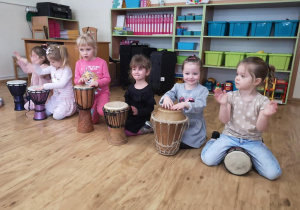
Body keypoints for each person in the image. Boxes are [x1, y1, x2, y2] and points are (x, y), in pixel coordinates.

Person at [201, 57, 281, 180]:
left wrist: (265, 115)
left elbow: (261, 127)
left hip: (253, 140)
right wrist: (223, 104)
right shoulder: (230, 96)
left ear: (256, 81)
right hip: (229, 137)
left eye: (243, 76)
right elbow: (224, 120)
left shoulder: (263, 101)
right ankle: (213, 140)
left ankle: (261, 149)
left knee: (273, 174)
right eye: (237, 74)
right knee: (208, 160)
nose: (237, 78)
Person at [15, 45, 76, 120]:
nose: (50, 64)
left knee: (56, 116)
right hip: (56, 98)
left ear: (62, 60)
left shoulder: (66, 70)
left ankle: (73, 107)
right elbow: (40, 72)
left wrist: (45, 86)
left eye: (53, 62)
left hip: (65, 98)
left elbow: (61, 84)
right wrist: (36, 64)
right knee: (45, 113)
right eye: (49, 61)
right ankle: (59, 108)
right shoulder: (52, 67)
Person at [160, 55, 208, 149]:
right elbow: (170, 94)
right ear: (182, 72)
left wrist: (186, 104)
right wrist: (166, 98)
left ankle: (201, 137)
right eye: (187, 73)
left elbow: (200, 105)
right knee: (169, 139)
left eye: (195, 73)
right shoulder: (178, 86)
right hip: (179, 121)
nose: (190, 77)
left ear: (200, 73)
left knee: (184, 144)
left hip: (193, 125)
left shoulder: (203, 90)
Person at [74, 34, 111, 124]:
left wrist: (98, 82)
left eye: (88, 49)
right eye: (81, 50)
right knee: (93, 121)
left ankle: (103, 109)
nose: (85, 53)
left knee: (102, 111)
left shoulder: (102, 62)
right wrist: (80, 81)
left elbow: (107, 78)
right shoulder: (78, 63)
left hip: (102, 93)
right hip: (89, 96)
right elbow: (76, 80)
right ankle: (95, 110)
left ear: (94, 48)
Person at [124, 54, 156, 136]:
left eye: (140, 69)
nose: (136, 72)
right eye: (134, 69)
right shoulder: (131, 87)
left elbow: (150, 108)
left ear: (147, 72)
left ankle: (146, 128)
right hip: (131, 115)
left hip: (141, 117)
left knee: (125, 132)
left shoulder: (148, 90)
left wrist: (138, 111)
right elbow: (127, 101)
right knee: (115, 125)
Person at [15, 45, 51, 110]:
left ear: (42, 58)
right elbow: (26, 70)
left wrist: (28, 62)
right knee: (26, 106)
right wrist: (20, 59)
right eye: (31, 56)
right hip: (36, 93)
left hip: (45, 95)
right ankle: (30, 99)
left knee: (42, 107)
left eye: (34, 56)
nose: (31, 58)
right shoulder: (35, 66)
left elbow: (40, 74)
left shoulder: (45, 66)